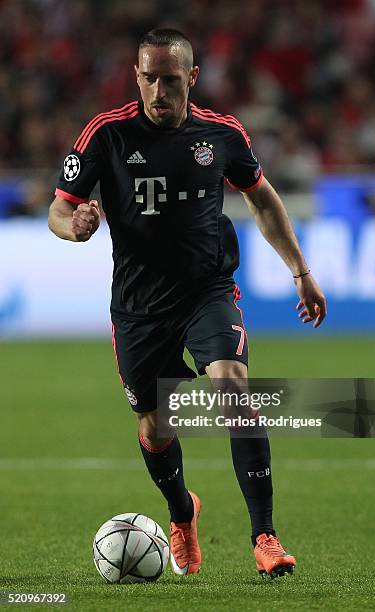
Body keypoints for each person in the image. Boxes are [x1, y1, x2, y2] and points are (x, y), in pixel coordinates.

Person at [48, 28, 326, 578]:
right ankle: (182, 514)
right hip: (139, 307)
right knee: (155, 428)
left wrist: (301, 271)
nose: (158, 91)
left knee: (235, 391)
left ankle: (265, 536)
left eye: (170, 80)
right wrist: (73, 225)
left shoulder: (221, 135)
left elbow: (263, 199)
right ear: (136, 75)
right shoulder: (105, 134)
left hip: (207, 293)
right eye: (148, 78)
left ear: (191, 79)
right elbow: (60, 210)